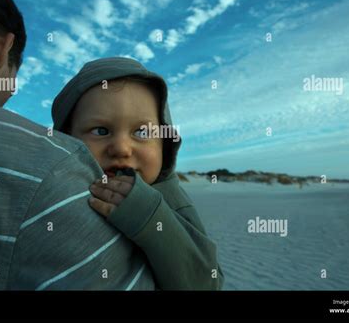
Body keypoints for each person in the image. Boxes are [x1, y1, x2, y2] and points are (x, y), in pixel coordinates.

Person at [0, 0, 158, 290]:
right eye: (100, 129)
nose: (12, 91)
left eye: (141, 131)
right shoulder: (49, 169)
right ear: (0, 50)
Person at [52, 57, 224, 289]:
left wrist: (149, 216)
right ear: (67, 139)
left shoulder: (171, 200)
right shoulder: (55, 192)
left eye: (142, 132)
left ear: (164, 143)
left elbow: (206, 282)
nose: (122, 148)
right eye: (101, 130)